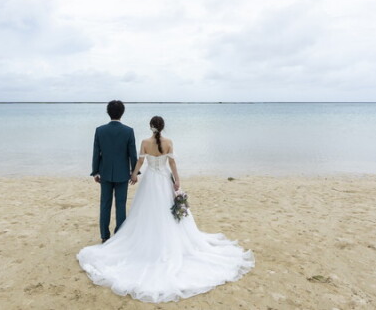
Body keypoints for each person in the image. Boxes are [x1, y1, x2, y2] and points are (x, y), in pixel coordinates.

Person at [78, 115, 254, 303]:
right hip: (163, 179)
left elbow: (140, 162)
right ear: (162, 127)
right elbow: (172, 163)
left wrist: (134, 175)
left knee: (143, 211)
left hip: (150, 181)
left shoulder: (145, 142)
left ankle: (116, 236)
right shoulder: (169, 142)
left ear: (150, 126)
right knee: (164, 211)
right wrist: (177, 180)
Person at [90, 100, 138, 243]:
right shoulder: (128, 131)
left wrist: (95, 171)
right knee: (121, 205)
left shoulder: (100, 130)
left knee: (105, 204)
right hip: (123, 174)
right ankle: (119, 235)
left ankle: (105, 236)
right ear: (122, 113)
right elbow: (132, 154)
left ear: (108, 112)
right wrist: (134, 172)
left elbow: (96, 153)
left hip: (104, 173)